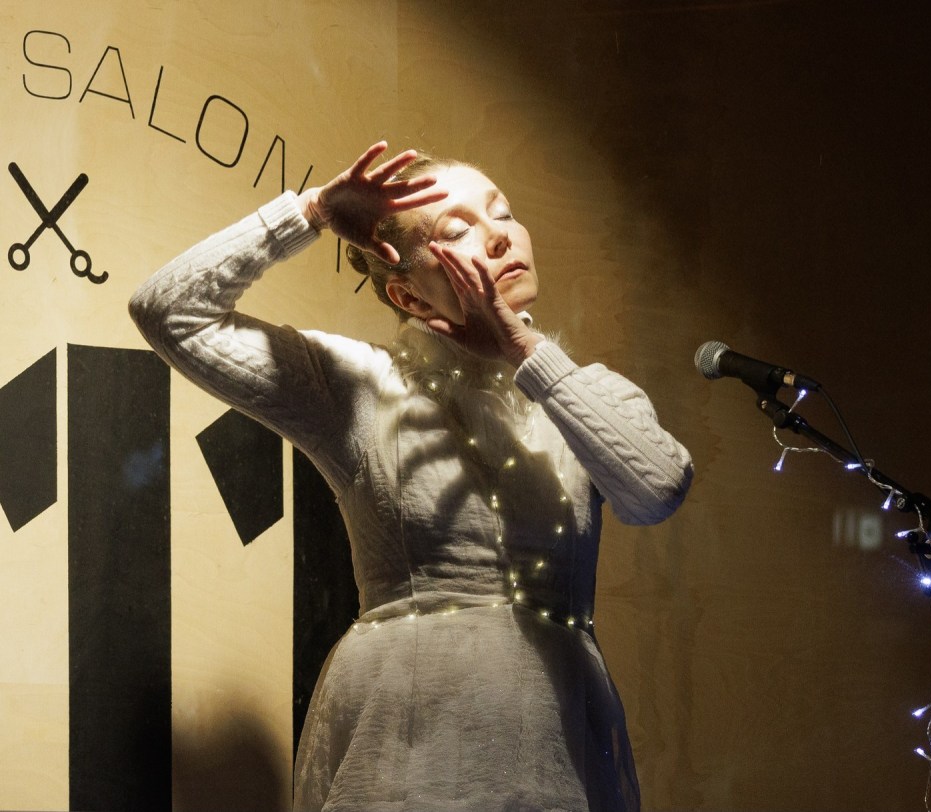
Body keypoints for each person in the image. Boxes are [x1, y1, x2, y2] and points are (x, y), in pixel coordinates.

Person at [130, 141, 694, 812]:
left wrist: (525, 352)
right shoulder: (359, 383)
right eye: (457, 230)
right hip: (407, 728)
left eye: (503, 213)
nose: (500, 237)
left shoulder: (584, 392)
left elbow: (657, 489)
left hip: (556, 735)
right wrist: (310, 213)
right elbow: (168, 311)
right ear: (405, 291)